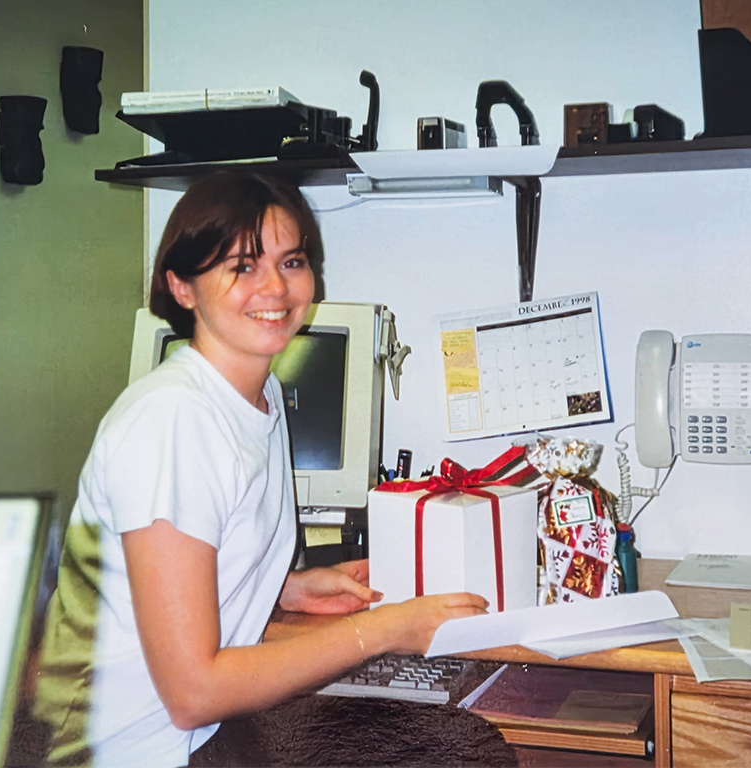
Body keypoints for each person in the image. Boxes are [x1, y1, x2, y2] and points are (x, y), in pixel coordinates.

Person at [32, 172, 488, 767]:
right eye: (241, 266)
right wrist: (387, 631)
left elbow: (170, 580)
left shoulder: (259, 395)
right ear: (183, 286)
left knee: (453, 743)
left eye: (291, 261)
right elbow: (194, 693)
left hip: (197, 739)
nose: (275, 286)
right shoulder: (174, 421)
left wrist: (286, 588)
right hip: (130, 752)